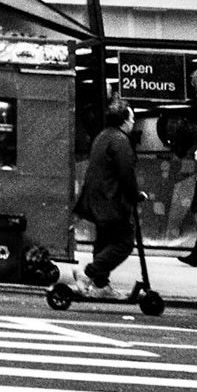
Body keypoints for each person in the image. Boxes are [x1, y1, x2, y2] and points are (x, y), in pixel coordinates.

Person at [73, 98, 143, 298]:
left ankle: (101, 285)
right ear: (124, 120)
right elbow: (126, 173)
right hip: (112, 202)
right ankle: (88, 274)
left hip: (97, 200)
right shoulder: (121, 141)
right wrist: (135, 195)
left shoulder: (102, 137)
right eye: (132, 118)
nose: (133, 122)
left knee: (104, 241)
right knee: (124, 243)